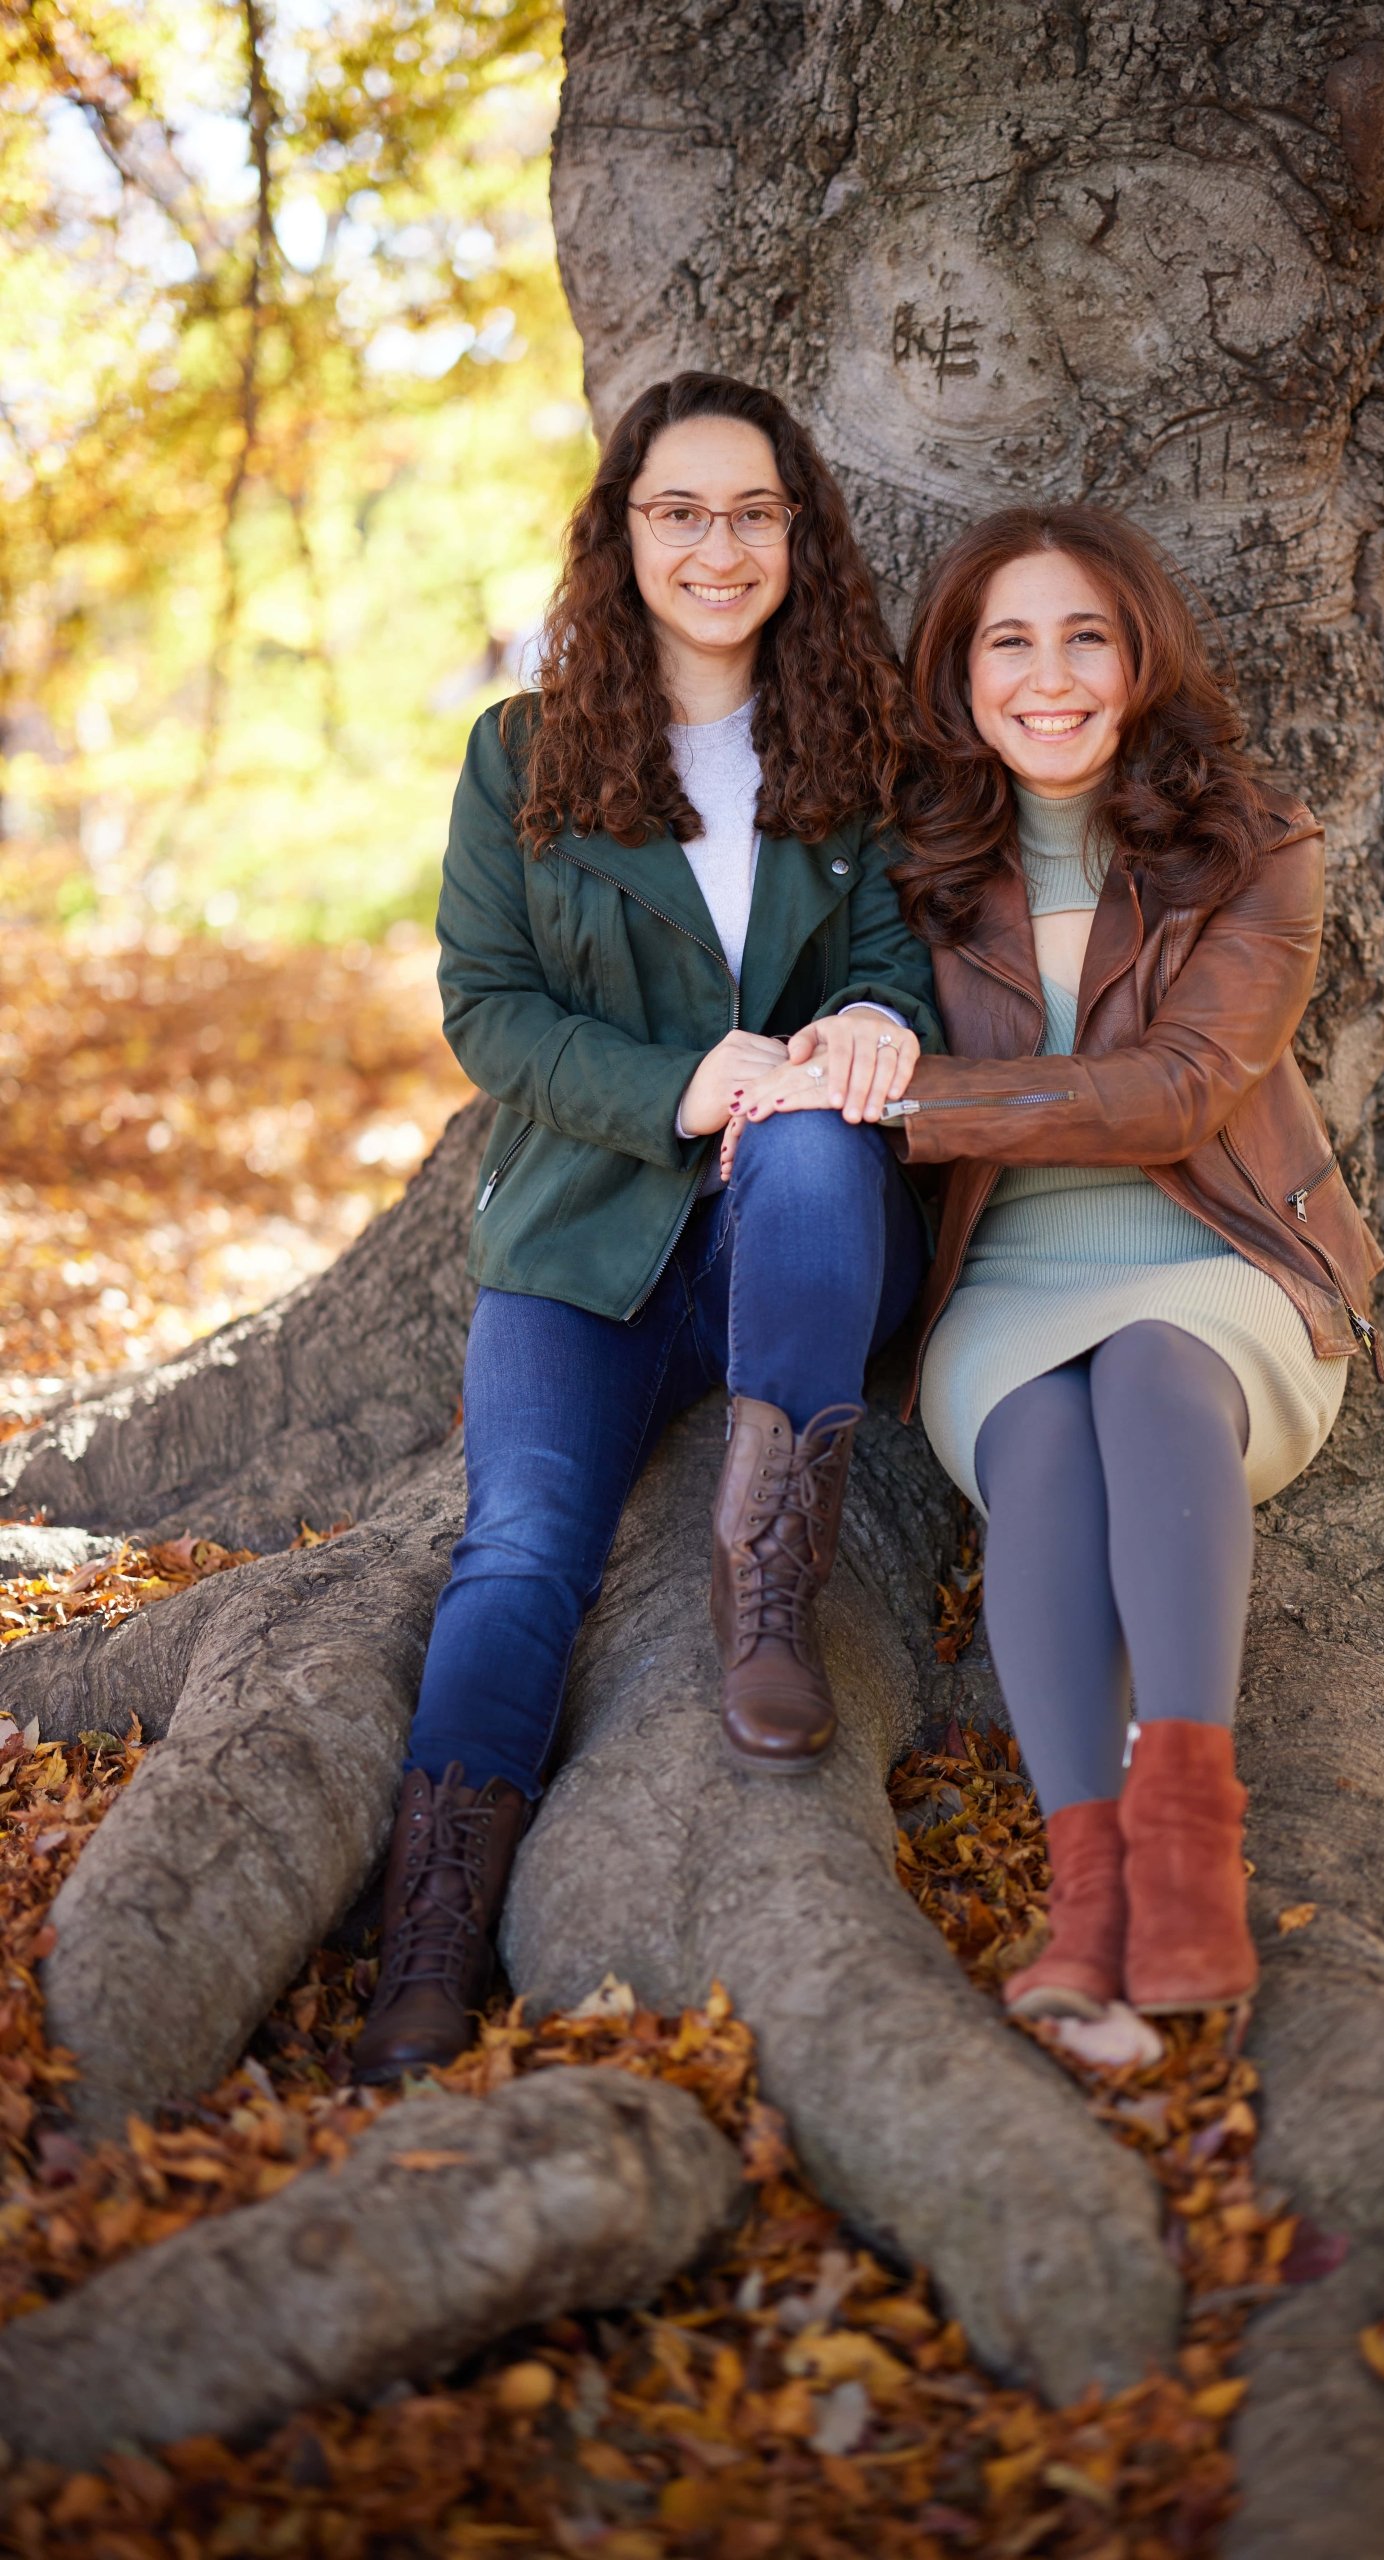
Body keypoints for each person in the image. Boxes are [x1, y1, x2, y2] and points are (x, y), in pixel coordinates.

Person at [352, 372, 939, 2085]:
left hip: (806, 1247)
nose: (717, 545)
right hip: (588, 1242)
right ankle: (432, 1926)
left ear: (799, 537)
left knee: (818, 1142)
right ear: (621, 536)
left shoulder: (864, 748)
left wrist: (869, 1028)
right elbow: (489, 1009)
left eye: (753, 512)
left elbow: (902, 963)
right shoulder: (523, 756)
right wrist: (688, 1084)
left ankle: (772, 1586)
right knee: (522, 1547)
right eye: (678, 510)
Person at [727, 504, 1384, 2026]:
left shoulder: (1254, 848)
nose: (1050, 676)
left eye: (1086, 634)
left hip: (1223, 1257)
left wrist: (918, 1100)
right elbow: (838, 1042)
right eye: (1008, 642)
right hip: (1002, 1283)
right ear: (958, 676)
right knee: (1036, 1438)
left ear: (1141, 654)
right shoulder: (904, 865)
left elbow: (1176, 1094)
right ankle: (1085, 1903)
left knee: (1154, 1370)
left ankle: (1187, 1854)